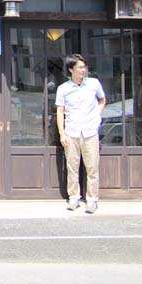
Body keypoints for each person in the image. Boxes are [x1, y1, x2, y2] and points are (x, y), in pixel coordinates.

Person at [55, 54, 106, 214]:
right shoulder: (63, 89)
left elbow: (102, 100)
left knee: (92, 167)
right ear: (71, 70)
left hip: (90, 131)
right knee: (72, 167)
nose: (83, 70)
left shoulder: (93, 84)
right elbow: (60, 111)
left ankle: (92, 199)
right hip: (72, 131)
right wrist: (62, 133)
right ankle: (74, 197)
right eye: (79, 67)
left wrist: (96, 115)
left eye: (84, 67)